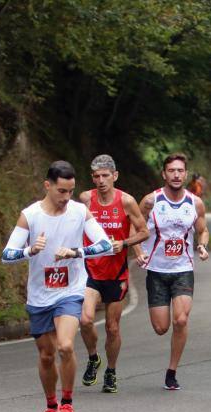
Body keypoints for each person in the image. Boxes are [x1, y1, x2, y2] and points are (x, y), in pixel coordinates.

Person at [1, 160, 112, 412]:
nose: (66, 197)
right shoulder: (30, 216)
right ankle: (50, 407)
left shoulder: (79, 212)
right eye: (61, 191)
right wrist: (29, 252)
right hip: (40, 295)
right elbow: (6, 254)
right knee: (47, 355)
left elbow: (106, 244)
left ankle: (67, 403)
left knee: (65, 346)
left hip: (71, 290)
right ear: (47, 186)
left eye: (71, 191)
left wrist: (75, 252)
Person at [134, 153, 209, 390]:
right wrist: (137, 250)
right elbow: (134, 226)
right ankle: (170, 365)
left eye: (180, 171)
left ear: (185, 174)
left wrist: (202, 245)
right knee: (161, 328)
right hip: (156, 270)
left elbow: (203, 229)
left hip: (183, 269)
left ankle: (172, 371)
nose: (176, 175)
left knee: (181, 319)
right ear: (164, 174)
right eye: (171, 171)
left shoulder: (195, 202)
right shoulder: (150, 201)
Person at [78, 155, 149, 393]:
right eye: (96, 176)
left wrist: (124, 243)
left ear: (115, 176)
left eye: (105, 175)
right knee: (86, 320)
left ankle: (111, 371)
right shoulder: (86, 199)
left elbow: (144, 232)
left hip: (116, 272)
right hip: (91, 270)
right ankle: (92, 358)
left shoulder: (127, 201)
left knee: (112, 327)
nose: (101, 181)